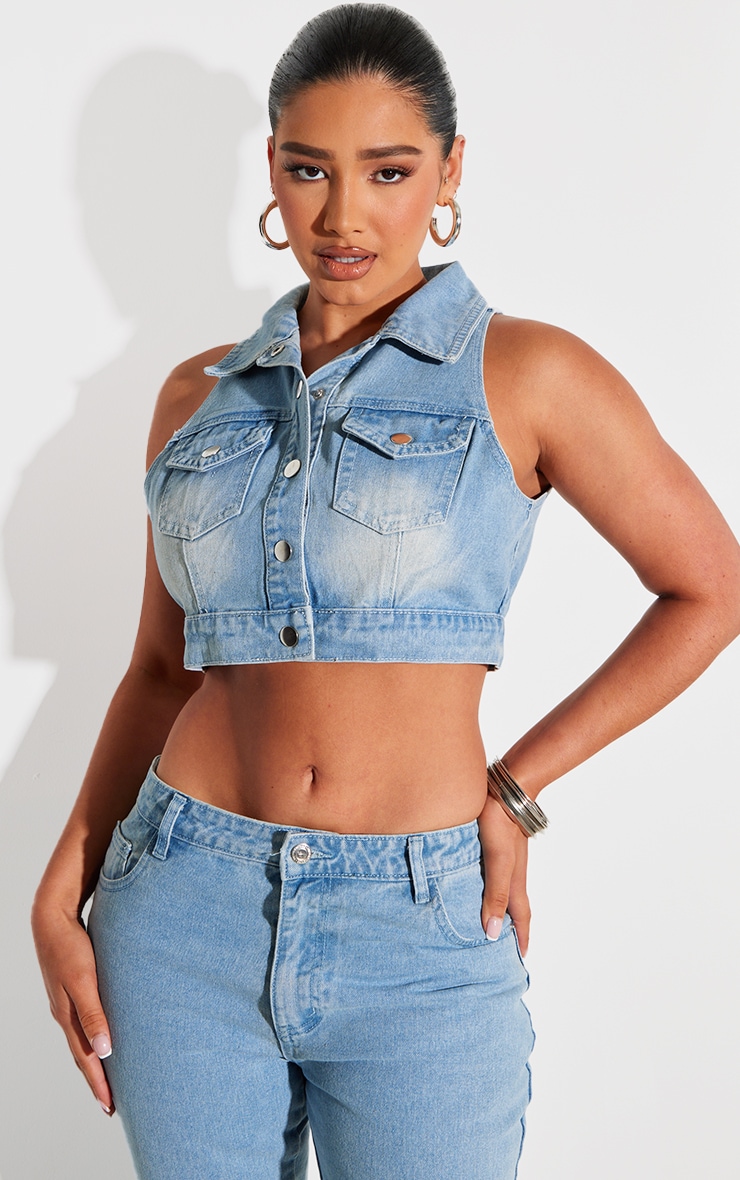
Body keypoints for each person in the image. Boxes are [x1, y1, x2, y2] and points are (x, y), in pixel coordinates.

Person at [31, 5, 740, 1178]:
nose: (342, 215)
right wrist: (66, 879)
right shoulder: (193, 396)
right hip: (182, 909)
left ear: (449, 173)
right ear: (271, 169)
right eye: (309, 169)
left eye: (388, 171)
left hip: (418, 929)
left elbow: (707, 587)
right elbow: (160, 670)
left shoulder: (527, 373)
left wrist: (516, 789)